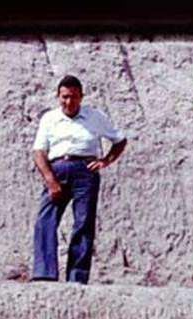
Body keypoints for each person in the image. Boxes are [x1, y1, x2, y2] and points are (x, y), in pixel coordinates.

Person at [31, 74, 127, 284]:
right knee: (44, 221)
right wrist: (50, 180)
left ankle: (77, 278)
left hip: (86, 171)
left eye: (73, 97)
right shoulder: (49, 118)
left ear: (81, 97)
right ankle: (44, 274)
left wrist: (105, 161)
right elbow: (39, 152)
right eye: (64, 97)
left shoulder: (95, 117)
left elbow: (119, 140)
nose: (69, 101)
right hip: (57, 169)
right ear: (58, 97)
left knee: (83, 224)